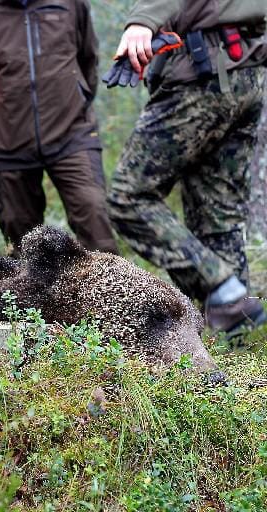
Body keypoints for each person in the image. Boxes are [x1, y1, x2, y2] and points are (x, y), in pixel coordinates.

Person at [106, 0, 267, 336]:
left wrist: (142, 22)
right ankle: (239, 332)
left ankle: (222, 288)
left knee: (128, 197)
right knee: (218, 209)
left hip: (203, 73)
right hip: (246, 72)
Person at [0, 0, 118, 256]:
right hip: (8, 141)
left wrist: (75, 97)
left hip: (72, 132)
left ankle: (115, 294)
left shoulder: (71, 4)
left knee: (93, 214)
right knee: (21, 239)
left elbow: (87, 59)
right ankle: (35, 296)